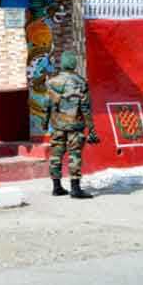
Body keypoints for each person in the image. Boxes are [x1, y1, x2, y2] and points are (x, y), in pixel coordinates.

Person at [42, 51, 99, 199]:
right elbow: (85, 108)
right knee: (74, 155)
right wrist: (91, 128)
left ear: (62, 64)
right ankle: (75, 188)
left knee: (56, 155)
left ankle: (56, 187)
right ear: (73, 64)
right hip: (75, 126)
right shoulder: (81, 82)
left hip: (57, 126)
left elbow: (46, 105)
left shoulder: (51, 82)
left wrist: (44, 123)